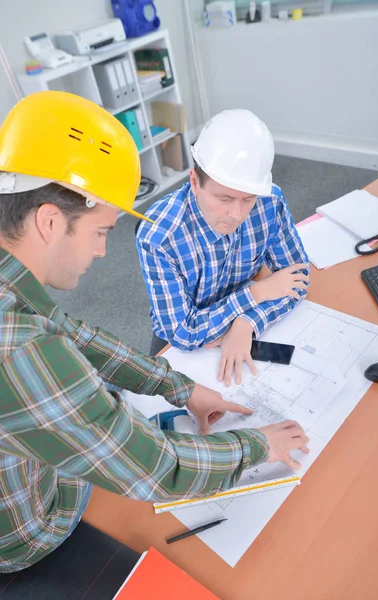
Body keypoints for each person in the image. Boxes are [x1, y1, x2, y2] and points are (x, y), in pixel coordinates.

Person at [0, 92, 309, 573]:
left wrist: (180, 387)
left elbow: (74, 335)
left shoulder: (11, 285)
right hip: (35, 526)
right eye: (101, 232)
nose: (104, 253)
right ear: (49, 221)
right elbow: (155, 467)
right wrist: (259, 445)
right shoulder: (20, 349)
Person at [136, 109, 310, 385]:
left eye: (248, 199)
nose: (237, 214)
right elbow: (184, 333)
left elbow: (298, 277)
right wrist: (258, 293)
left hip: (234, 325)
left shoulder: (269, 201)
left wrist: (247, 322)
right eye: (225, 198)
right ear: (195, 181)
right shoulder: (159, 236)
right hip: (180, 344)